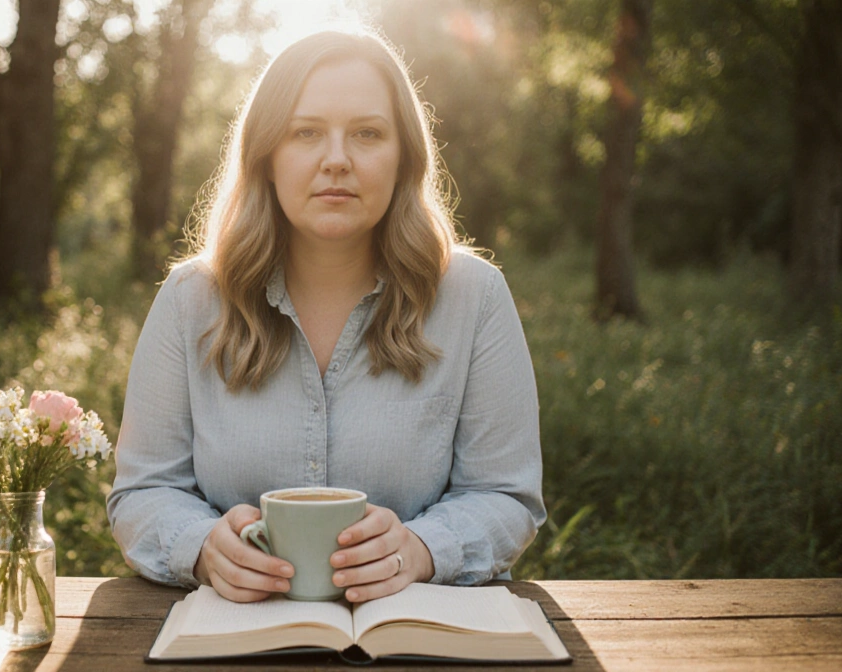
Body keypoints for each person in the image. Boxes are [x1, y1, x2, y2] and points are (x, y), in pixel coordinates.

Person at [108, 27, 545, 604]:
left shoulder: (475, 297)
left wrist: (422, 549)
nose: (336, 160)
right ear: (266, 156)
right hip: (230, 639)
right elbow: (143, 492)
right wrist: (201, 545)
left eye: (367, 133)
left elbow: (506, 496)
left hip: (415, 639)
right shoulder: (191, 299)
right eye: (305, 132)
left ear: (403, 157)